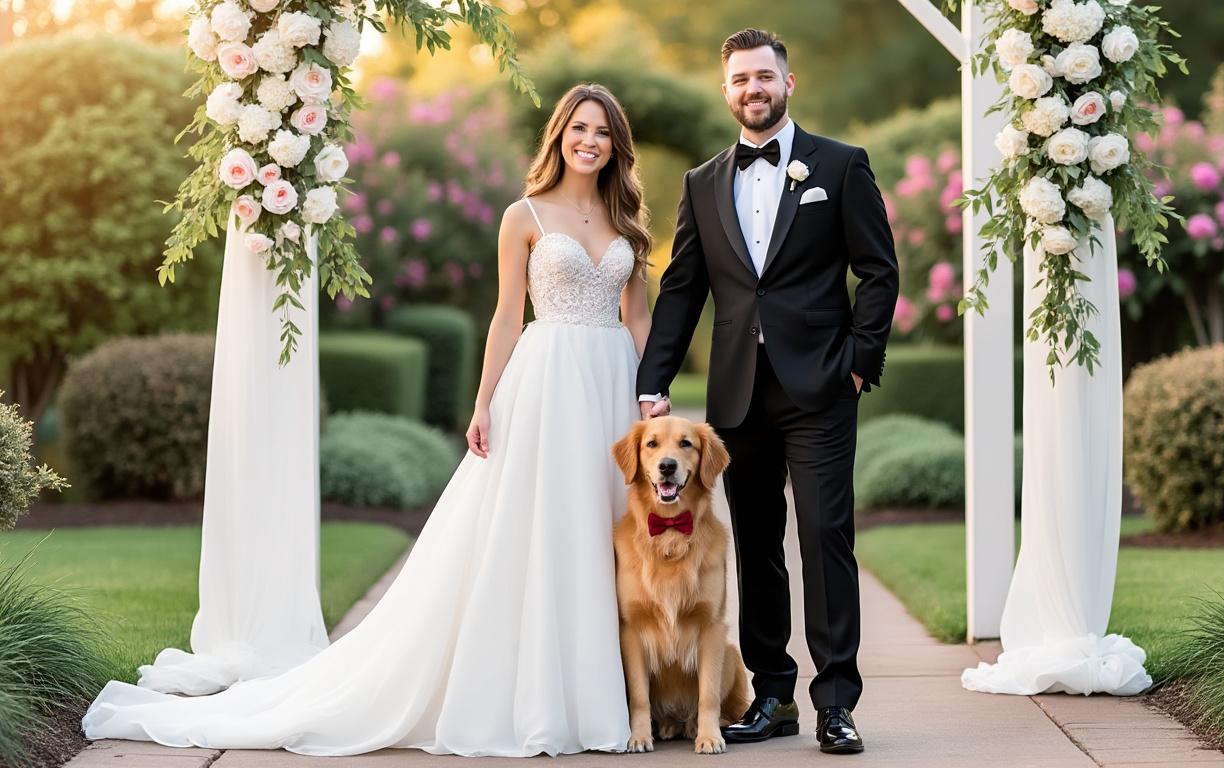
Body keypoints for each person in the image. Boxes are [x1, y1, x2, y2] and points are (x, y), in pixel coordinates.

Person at [83, 83, 653, 758]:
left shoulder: (627, 220)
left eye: (602, 131)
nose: (589, 140)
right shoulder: (523, 215)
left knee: (607, 530)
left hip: (614, 384)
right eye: (578, 128)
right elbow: (505, 317)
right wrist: (481, 403)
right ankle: (542, 697)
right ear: (558, 135)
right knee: (542, 531)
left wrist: (652, 397)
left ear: (616, 144)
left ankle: (617, 695)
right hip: (546, 382)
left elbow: (639, 318)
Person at [636, 28, 899, 755]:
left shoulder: (841, 167)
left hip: (821, 387)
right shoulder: (702, 182)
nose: (753, 89)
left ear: (788, 83)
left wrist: (857, 361)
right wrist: (653, 381)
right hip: (737, 397)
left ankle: (837, 702)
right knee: (755, 546)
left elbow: (879, 271)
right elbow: (682, 287)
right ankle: (774, 694)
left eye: (764, 77)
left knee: (824, 537)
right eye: (740, 81)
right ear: (727, 92)